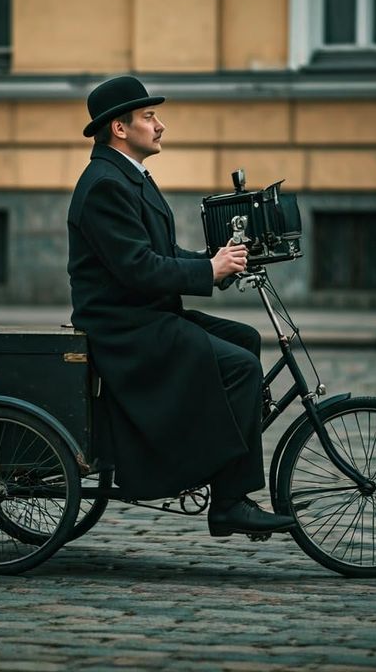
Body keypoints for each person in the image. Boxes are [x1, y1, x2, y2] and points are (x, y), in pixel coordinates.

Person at [67, 74, 295, 538]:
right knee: (240, 369)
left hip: (145, 315)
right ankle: (228, 501)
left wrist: (219, 265)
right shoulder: (105, 186)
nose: (160, 124)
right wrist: (207, 271)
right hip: (123, 328)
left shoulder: (129, 177)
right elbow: (138, 268)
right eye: (149, 116)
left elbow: (163, 253)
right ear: (120, 128)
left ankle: (212, 457)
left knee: (244, 340)